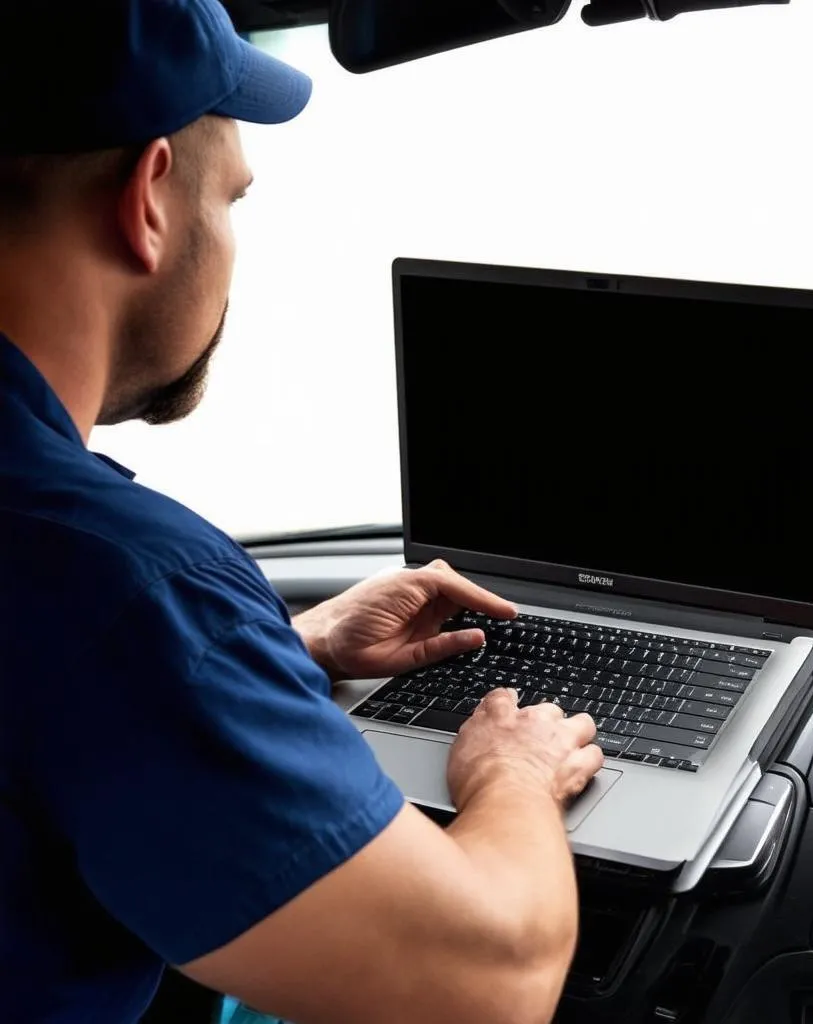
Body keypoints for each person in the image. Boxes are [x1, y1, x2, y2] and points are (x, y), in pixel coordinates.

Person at [0, 3, 603, 1022]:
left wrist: (280, 650)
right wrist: (512, 773)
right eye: (231, 198)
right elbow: (490, 980)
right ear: (147, 199)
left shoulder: (110, 603)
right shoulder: (114, 584)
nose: (231, 239)